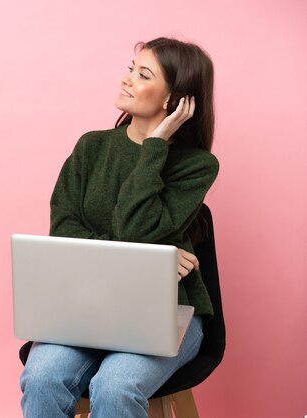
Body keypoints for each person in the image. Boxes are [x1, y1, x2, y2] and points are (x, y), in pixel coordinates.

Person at [19, 37, 219, 418]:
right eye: (131, 68)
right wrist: (153, 258)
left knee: (116, 385)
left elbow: (135, 227)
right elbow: (63, 232)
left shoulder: (197, 166)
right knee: (42, 378)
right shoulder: (91, 148)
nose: (126, 79)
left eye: (142, 74)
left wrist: (154, 148)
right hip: (84, 307)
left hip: (166, 312)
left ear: (172, 100)